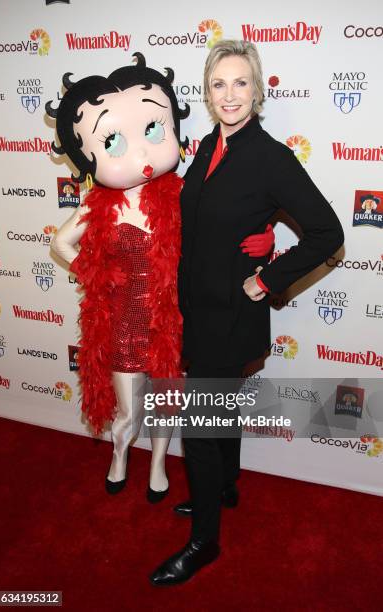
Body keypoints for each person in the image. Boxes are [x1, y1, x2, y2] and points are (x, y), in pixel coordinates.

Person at [150, 39, 344, 585]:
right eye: (218, 84)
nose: (229, 94)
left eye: (240, 83)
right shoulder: (208, 145)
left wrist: (268, 275)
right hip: (196, 307)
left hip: (231, 313)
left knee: (200, 426)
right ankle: (225, 487)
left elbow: (329, 232)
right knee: (223, 411)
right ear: (207, 94)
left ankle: (204, 542)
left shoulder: (270, 156)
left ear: (257, 91)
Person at [47, 54, 189, 502]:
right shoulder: (97, 205)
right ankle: (121, 453)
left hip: (172, 320)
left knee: (166, 400)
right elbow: (59, 244)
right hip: (124, 322)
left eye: (152, 130)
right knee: (128, 410)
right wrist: (95, 275)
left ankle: (160, 462)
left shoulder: (184, 195)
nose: (141, 153)